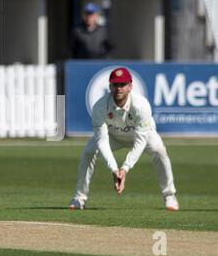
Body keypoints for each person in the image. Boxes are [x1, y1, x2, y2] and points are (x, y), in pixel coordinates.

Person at [68, 67, 179, 211]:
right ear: (110, 86)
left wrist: (125, 168)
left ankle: (169, 195)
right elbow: (102, 140)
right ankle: (79, 197)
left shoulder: (141, 106)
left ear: (130, 86)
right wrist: (114, 169)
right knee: (89, 151)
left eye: (122, 84)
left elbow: (140, 141)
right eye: (115, 85)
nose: (118, 88)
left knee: (159, 150)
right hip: (113, 136)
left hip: (142, 135)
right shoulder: (100, 107)